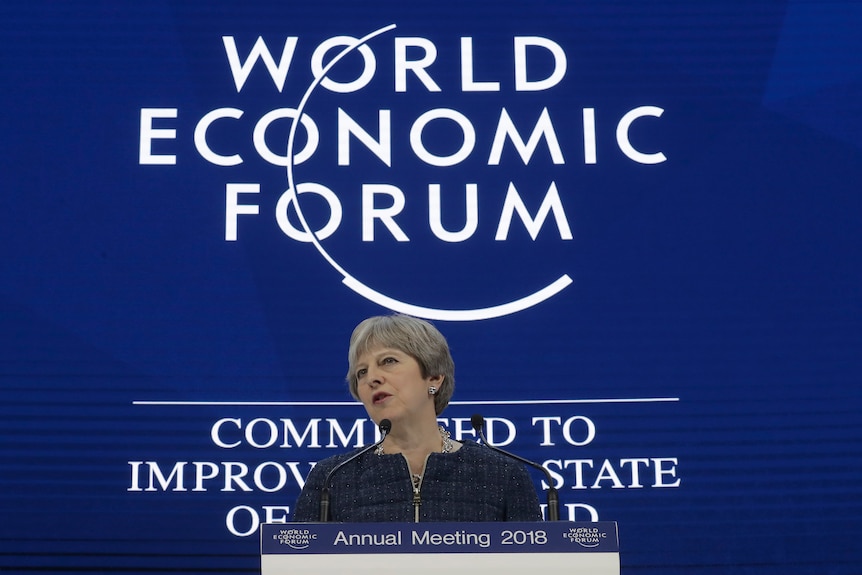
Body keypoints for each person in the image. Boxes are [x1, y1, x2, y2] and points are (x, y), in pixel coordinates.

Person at [292, 313, 542, 522]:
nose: (372, 378)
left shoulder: (501, 474)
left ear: (433, 377)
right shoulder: (333, 478)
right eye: (361, 372)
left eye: (388, 361)